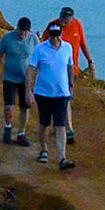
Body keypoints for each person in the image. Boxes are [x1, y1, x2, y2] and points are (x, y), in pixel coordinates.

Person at [26, 19, 77, 171]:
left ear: (61, 34)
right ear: (49, 34)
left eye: (57, 35)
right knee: (44, 123)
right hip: (43, 93)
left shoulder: (67, 48)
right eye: (52, 35)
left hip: (61, 93)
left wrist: (71, 84)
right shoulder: (40, 49)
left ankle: (62, 157)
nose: (54, 39)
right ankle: (44, 149)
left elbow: (70, 66)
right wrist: (29, 90)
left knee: (60, 124)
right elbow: (30, 70)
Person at [0, 15, 38, 146]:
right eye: (21, 30)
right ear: (17, 27)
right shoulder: (7, 37)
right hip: (9, 77)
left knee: (24, 107)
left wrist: (36, 80)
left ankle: (21, 133)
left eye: (25, 31)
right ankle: (8, 126)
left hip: (25, 79)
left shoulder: (33, 39)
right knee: (8, 105)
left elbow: (38, 59)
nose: (23, 34)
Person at [53, 7, 94, 142]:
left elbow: (83, 44)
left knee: (66, 97)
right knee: (60, 96)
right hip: (56, 69)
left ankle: (65, 126)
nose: (64, 21)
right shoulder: (53, 25)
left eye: (67, 19)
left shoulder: (77, 25)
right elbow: (44, 45)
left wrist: (90, 61)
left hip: (72, 69)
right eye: (62, 18)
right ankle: (64, 127)